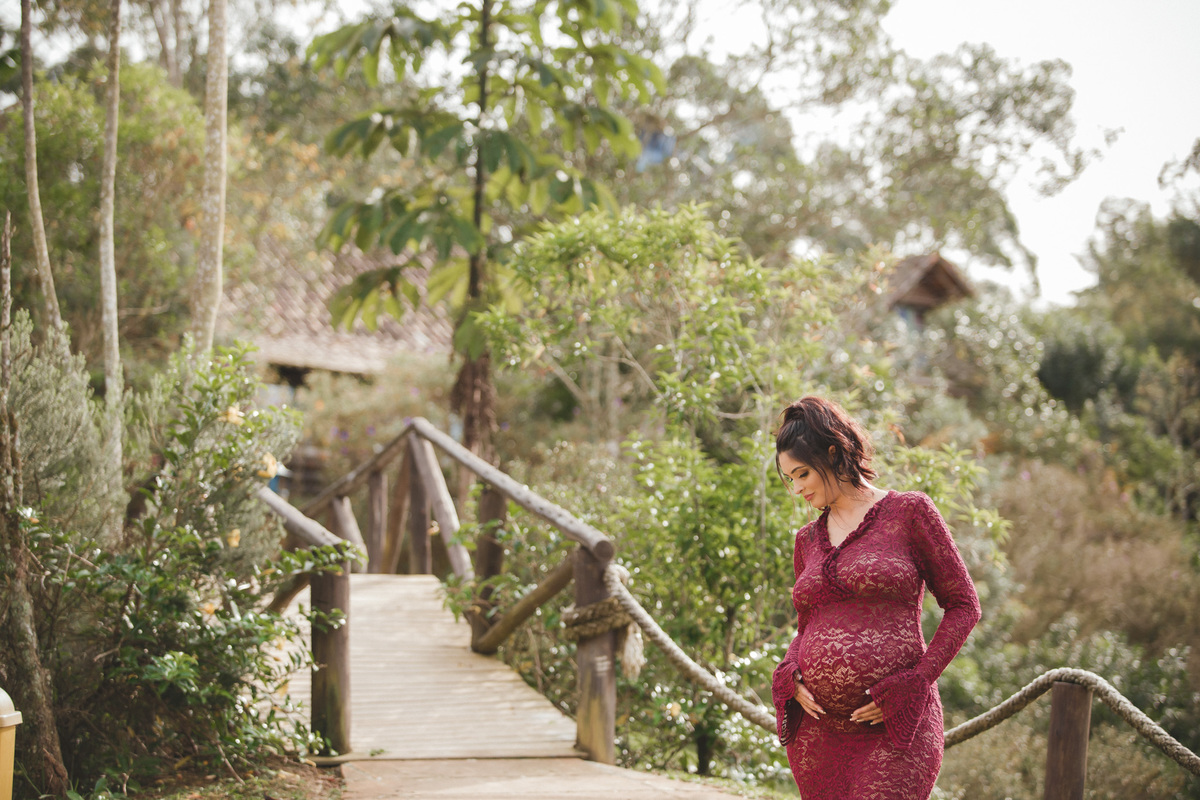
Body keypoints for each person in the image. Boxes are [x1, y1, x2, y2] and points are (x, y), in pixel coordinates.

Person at [770, 396, 981, 800]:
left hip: (895, 728)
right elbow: (807, 628)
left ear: (833, 454)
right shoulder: (806, 540)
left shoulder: (909, 512)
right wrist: (789, 671)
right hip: (817, 734)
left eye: (803, 474)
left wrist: (916, 683)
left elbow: (964, 605)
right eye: (790, 479)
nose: (796, 489)